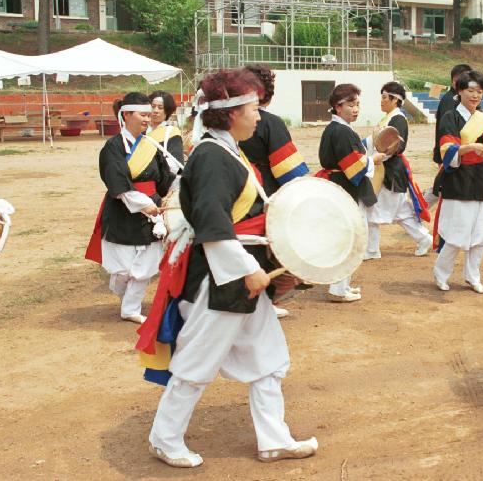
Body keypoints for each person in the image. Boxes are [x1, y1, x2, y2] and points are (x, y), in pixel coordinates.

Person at [139, 67, 317, 468]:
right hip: (219, 282)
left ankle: (273, 438)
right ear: (232, 111)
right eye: (254, 107)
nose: (259, 115)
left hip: (238, 278)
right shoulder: (212, 156)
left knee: (268, 358)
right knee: (196, 363)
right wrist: (244, 269)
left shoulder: (226, 151)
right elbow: (211, 222)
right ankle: (164, 438)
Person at [84, 93, 174, 323]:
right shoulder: (112, 147)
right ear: (126, 115)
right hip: (123, 209)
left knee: (146, 266)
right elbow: (118, 184)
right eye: (143, 114)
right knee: (122, 270)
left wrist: (181, 179)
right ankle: (127, 300)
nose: (148, 117)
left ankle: (130, 309)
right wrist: (145, 205)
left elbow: (165, 181)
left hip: (151, 210)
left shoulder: (151, 145)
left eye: (149, 114)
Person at [237, 65, 310, 317]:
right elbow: (289, 171)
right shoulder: (269, 123)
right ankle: (266, 301)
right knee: (271, 255)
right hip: (264, 197)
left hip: (233, 199)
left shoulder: (220, 122)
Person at [433, 70, 483, 294]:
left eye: (479, 92)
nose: (475, 96)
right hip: (459, 179)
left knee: (480, 236)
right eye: (470, 90)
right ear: (460, 91)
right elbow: (447, 150)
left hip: (480, 179)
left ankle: (473, 276)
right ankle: (441, 274)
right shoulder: (450, 117)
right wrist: (471, 147)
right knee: (456, 235)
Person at [317, 83, 384, 302]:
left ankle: (341, 285)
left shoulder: (337, 129)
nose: (356, 109)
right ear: (337, 107)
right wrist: (372, 159)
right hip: (347, 189)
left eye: (357, 104)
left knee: (348, 238)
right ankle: (338, 288)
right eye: (351, 105)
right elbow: (353, 166)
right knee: (350, 239)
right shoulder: (341, 131)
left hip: (341, 186)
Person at [364, 81, 432, 260]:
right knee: (401, 212)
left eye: (385, 97)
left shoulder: (398, 119)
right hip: (387, 171)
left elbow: (395, 146)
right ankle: (424, 238)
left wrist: (378, 156)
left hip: (390, 172)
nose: (381, 101)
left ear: (395, 100)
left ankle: (372, 249)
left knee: (371, 209)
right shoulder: (389, 118)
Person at [425, 64, 473, 207]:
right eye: (467, 78)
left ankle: (418, 208)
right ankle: (417, 209)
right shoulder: (449, 100)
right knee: (444, 186)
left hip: (459, 151)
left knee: (444, 185)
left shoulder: (460, 98)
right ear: (455, 80)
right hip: (448, 151)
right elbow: (447, 131)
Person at [147, 90, 184, 175]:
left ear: (167, 111)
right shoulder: (142, 132)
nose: (155, 110)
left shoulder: (172, 133)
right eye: (153, 106)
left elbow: (175, 164)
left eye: (160, 107)